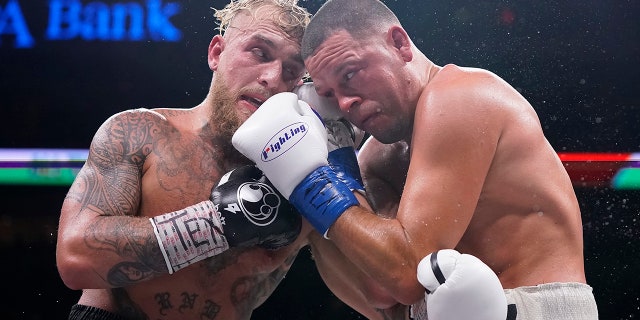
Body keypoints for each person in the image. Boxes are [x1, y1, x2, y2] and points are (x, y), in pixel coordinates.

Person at [231, 0, 599, 319]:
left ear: (399, 44)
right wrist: (335, 168)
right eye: (329, 94)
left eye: (350, 74)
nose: (345, 104)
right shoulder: (374, 157)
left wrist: (311, 182)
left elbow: (407, 271)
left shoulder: (461, 96)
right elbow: (382, 289)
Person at [55, 1, 316, 319]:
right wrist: (221, 223)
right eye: (260, 52)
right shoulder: (140, 133)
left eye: (292, 69)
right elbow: (76, 259)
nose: (273, 79)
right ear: (216, 53)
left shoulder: (301, 179)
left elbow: (380, 287)